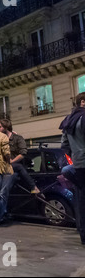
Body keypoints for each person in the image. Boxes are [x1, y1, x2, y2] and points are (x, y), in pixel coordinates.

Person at [0, 119, 39, 222]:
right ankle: (2, 212)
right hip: (1, 168)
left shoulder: (17, 138)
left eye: (0, 127)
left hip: (12, 169)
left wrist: (11, 161)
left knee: (3, 192)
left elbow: (23, 153)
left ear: (6, 127)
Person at [59, 92, 85, 245]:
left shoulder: (69, 120)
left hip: (79, 163)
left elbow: (64, 145)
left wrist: (76, 155)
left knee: (81, 198)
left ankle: (83, 234)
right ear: (83, 102)